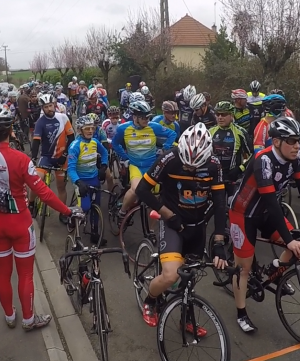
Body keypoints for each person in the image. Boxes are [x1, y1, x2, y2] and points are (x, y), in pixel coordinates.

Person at [0, 55, 75, 330]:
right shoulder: (20, 160)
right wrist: (68, 211)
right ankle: (29, 319)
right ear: (10, 129)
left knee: (3, 274)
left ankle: (9, 316)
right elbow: (44, 193)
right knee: (25, 274)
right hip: (19, 223)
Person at [229, 117, 300, 332]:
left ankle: (274, 273)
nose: (298, 146)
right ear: (277, 142)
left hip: (268, 212)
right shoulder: (264, 160)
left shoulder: (295, 160)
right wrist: (288, 241)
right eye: (292, 141)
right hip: (244, 214)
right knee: (243, 268)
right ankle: (241, 313)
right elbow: (270, 200)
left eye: (299, 141)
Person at [135, 124, 228, 329]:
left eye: (196, 167)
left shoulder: (214, 165)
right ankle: (150, 300)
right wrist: (167, 214)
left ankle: (186, 317)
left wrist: (219, 240)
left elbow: (221, 203)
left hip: (197, 226)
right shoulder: (169, 158)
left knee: (190, 275)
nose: (190, 169)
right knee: (171, 275)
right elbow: (142, 190)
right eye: (187, 165)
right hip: (172, 224)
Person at [112, 98, 178, 233]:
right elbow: (115, 144)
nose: (147, 120)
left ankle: (151, 230)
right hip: (135, 165)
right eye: (143, 117)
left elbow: (172, 133)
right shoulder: (124, 129)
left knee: (155, 198)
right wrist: (124, 158)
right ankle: (122, 212)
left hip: (151, 165)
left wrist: (165, 147)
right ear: (134, 117)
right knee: (137, 189)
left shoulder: (153, 127)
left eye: (148, 117)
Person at [30, 93, 75, 222]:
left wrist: (65, 155)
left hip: (62, 157)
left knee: (61, 187)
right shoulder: (40, 122)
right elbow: (36, 142)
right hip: (46, 157)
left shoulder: (63, 118)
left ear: (54, 105)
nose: (49, 109)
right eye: (46, 107)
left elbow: (71, 138)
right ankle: (31, 204)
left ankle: (63, 213)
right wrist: (33, 158)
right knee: (36, 180)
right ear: (42, 108)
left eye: (50, 105)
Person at [68, 116, 109, 245]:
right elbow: (71, 169)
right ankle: (72, 217)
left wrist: (103, 166)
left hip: (94, 179)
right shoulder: (75, 146)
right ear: (80, 130)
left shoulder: (95, 142)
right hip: (81, 180)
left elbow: (105, 153)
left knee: (96, 207)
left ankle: (94, 234)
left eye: (92, 128)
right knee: (85, 207)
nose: (91, 131)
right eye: (87, 128)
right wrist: (79, 182)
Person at [209, 100, 253, 195]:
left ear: (232, 116)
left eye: (224, 114)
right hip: (214, 176)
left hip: (232, 177)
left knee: (231, 206)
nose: (220, 117)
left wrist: (240, 168)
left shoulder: (240, 132)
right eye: (218, 114)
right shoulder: (210, 132)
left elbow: (253, 155)